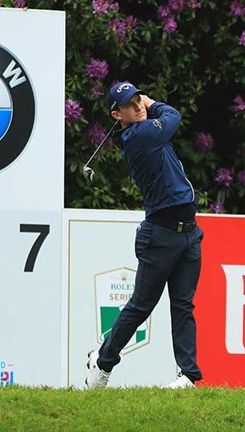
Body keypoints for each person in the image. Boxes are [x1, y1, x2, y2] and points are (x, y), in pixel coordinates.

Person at [85, 81, 203, 390]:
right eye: (130, 104)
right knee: (141, 305)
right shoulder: (138, 136)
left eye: (139, 100)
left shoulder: (149, 130)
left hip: (189, 232)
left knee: (183, 305)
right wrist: (153, 102)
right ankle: (103, 363)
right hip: (160, 235)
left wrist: (147, 106)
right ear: (117, 114)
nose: (138, 106)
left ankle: (188, 376)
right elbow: (173, 115)